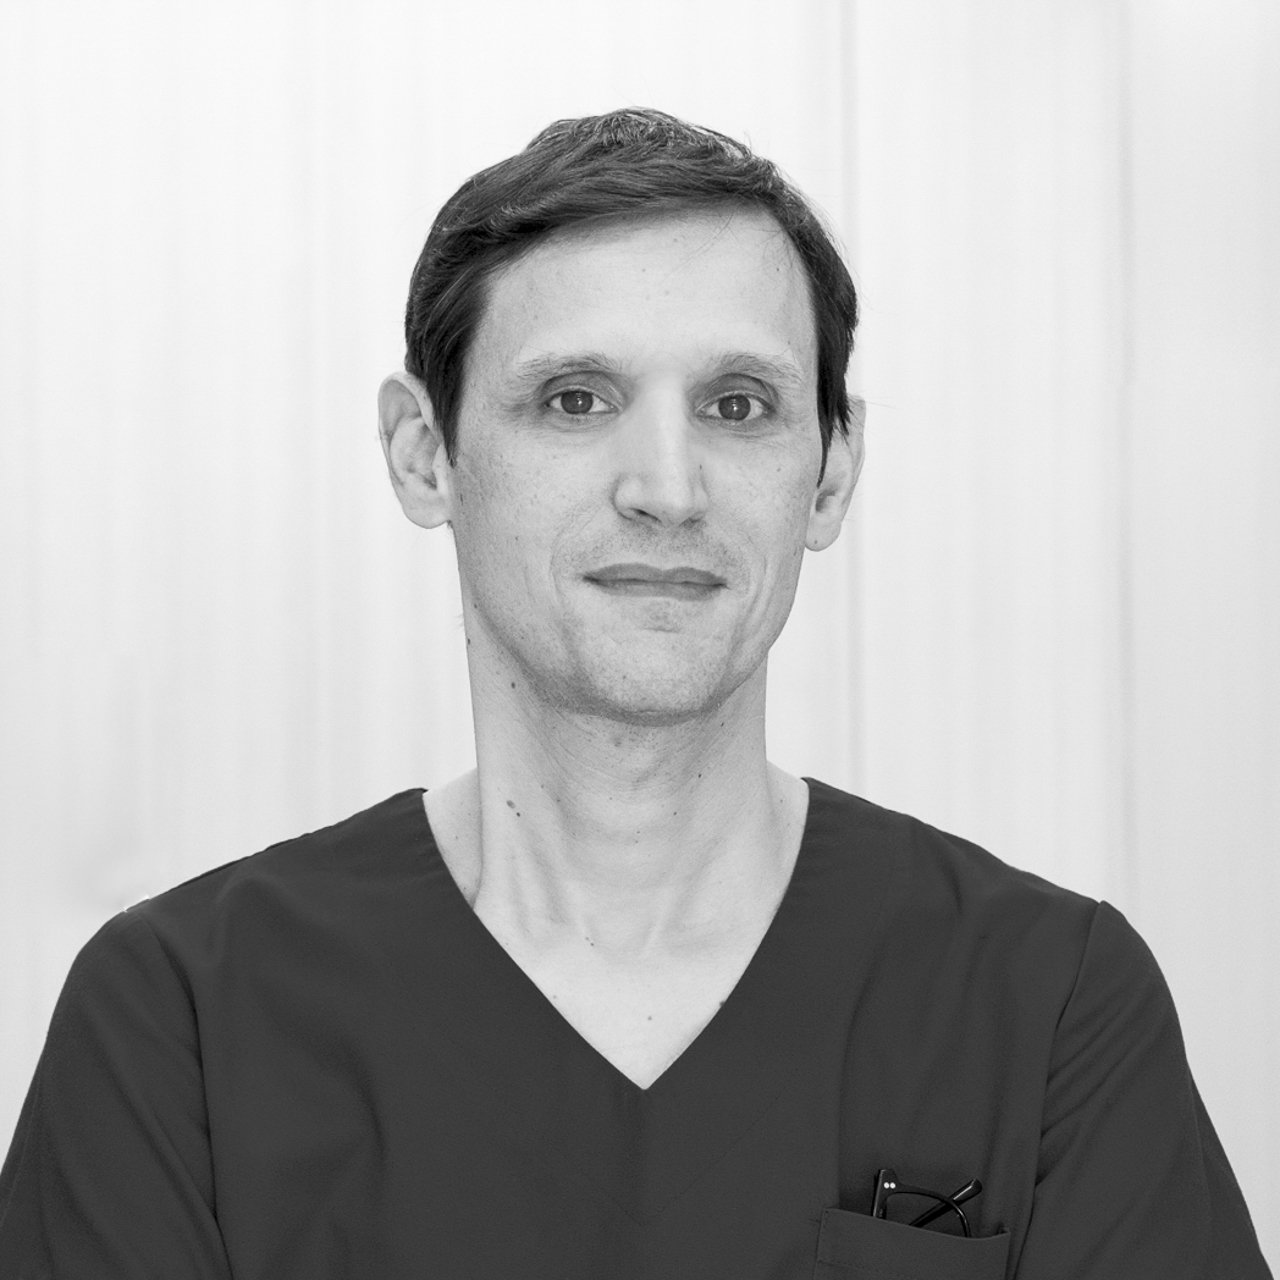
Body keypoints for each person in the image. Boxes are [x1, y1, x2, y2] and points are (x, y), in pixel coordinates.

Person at [0, 108, 1269, 1280]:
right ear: (424, 452)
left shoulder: (1042, 1004)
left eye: (737, 404)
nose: (665, 486)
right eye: (574, 399)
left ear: (830, 471)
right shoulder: (180, 1024)